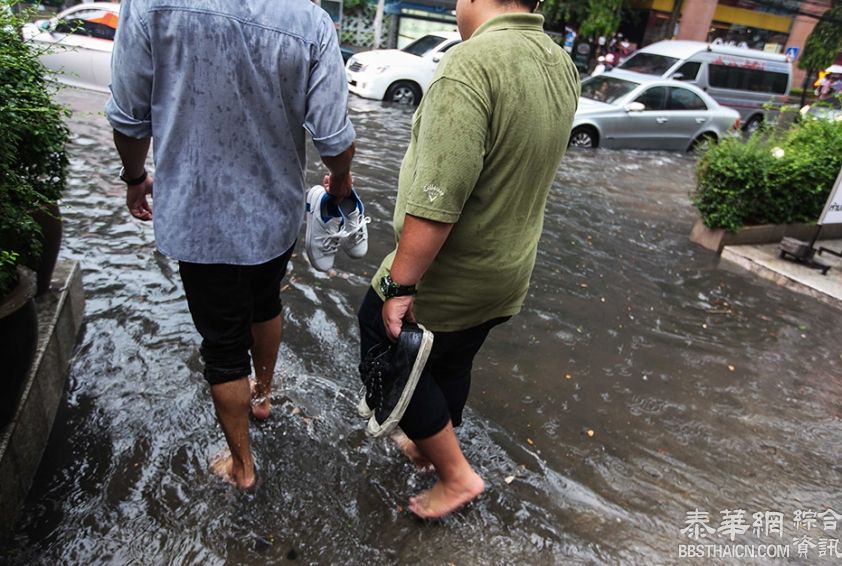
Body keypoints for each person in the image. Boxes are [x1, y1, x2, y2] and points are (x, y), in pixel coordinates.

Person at [106, 0, 355, 489]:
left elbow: (130, 118)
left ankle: (242, 467)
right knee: (265, 303)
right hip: (275, 214)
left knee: (222, 348)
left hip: (204, 217)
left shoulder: (150, 4)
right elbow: (333, 138)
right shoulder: (310, 19)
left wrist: (135, 177)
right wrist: (341, 180)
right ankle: (261, 396)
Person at [357, 0, 580, 518]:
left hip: (452, 273)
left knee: (381, 336)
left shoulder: (471, 64)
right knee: (450, 360)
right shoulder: (560, 63)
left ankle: (456, 476)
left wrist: (401, 285)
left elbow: (437, 196)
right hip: (507, 270)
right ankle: (427, 447)